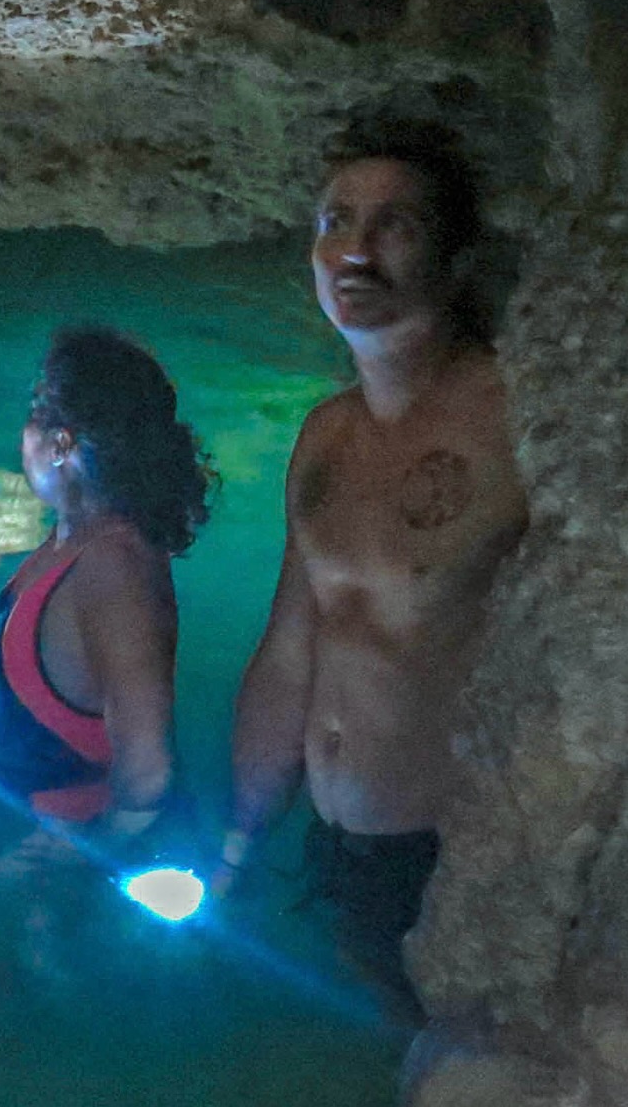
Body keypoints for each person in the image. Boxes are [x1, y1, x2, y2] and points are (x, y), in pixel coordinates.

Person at [219, 116, 527, 1012]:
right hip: (336, 846)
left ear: (459, 259)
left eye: (397, 224)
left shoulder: (516, 415)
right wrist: (238, 841)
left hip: (460, 854)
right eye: (334, 222)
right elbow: (290, 650)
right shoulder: (326, 434)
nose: (355, 249)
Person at [0, 326, 211, 1007]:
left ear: (63, 442)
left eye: (35, 408)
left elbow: (147, 766)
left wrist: (79, 856)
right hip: (29, 803)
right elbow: (24, 672)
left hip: (76, 825)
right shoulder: (67, 537)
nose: (22, 429)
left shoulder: (114, 569)